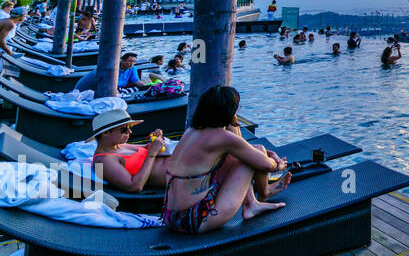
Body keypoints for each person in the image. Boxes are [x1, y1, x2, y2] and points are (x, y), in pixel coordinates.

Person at [160, 85, 290, 233]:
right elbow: (266, 165)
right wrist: (279, 164)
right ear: (230, 111)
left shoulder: (192, 131)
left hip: (171, 217)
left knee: (253, 152)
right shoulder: (223, 138)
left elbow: (241, 147)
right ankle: (263, 194)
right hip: (195, 220)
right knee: (257, 152)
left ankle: (252, 203)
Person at [89, 110, 169, 192]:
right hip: (177, 174)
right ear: (105, 133)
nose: (130, 132)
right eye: (124, 130)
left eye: (129, 127)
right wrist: (152, 154)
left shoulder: (118, 145)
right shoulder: (104, 160)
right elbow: (134, 186)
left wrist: (155, 139)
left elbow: (148, 148)